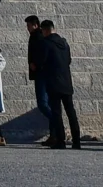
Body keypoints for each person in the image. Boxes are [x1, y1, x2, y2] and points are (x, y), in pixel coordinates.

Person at [38, 16, 80, 149]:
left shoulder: (46, 43)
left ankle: (60, 141)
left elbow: (42, 62)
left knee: (57, 113)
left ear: (44, 31)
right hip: (67, 82)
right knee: (71, 113)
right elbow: (68, 60)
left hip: (53, 82)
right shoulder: (64, 43)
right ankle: (77, 141)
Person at [24, 16, 47, 136]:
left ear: (35, 25)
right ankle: (55, 130)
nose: (27, 28)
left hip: (41, 74)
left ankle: (57, 125)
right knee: (44, 103)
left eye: (29, 25)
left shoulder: (38, 36)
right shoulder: (36, 36)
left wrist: (35, 64)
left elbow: (43, 53)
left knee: (43, 103)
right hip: (39, 74)